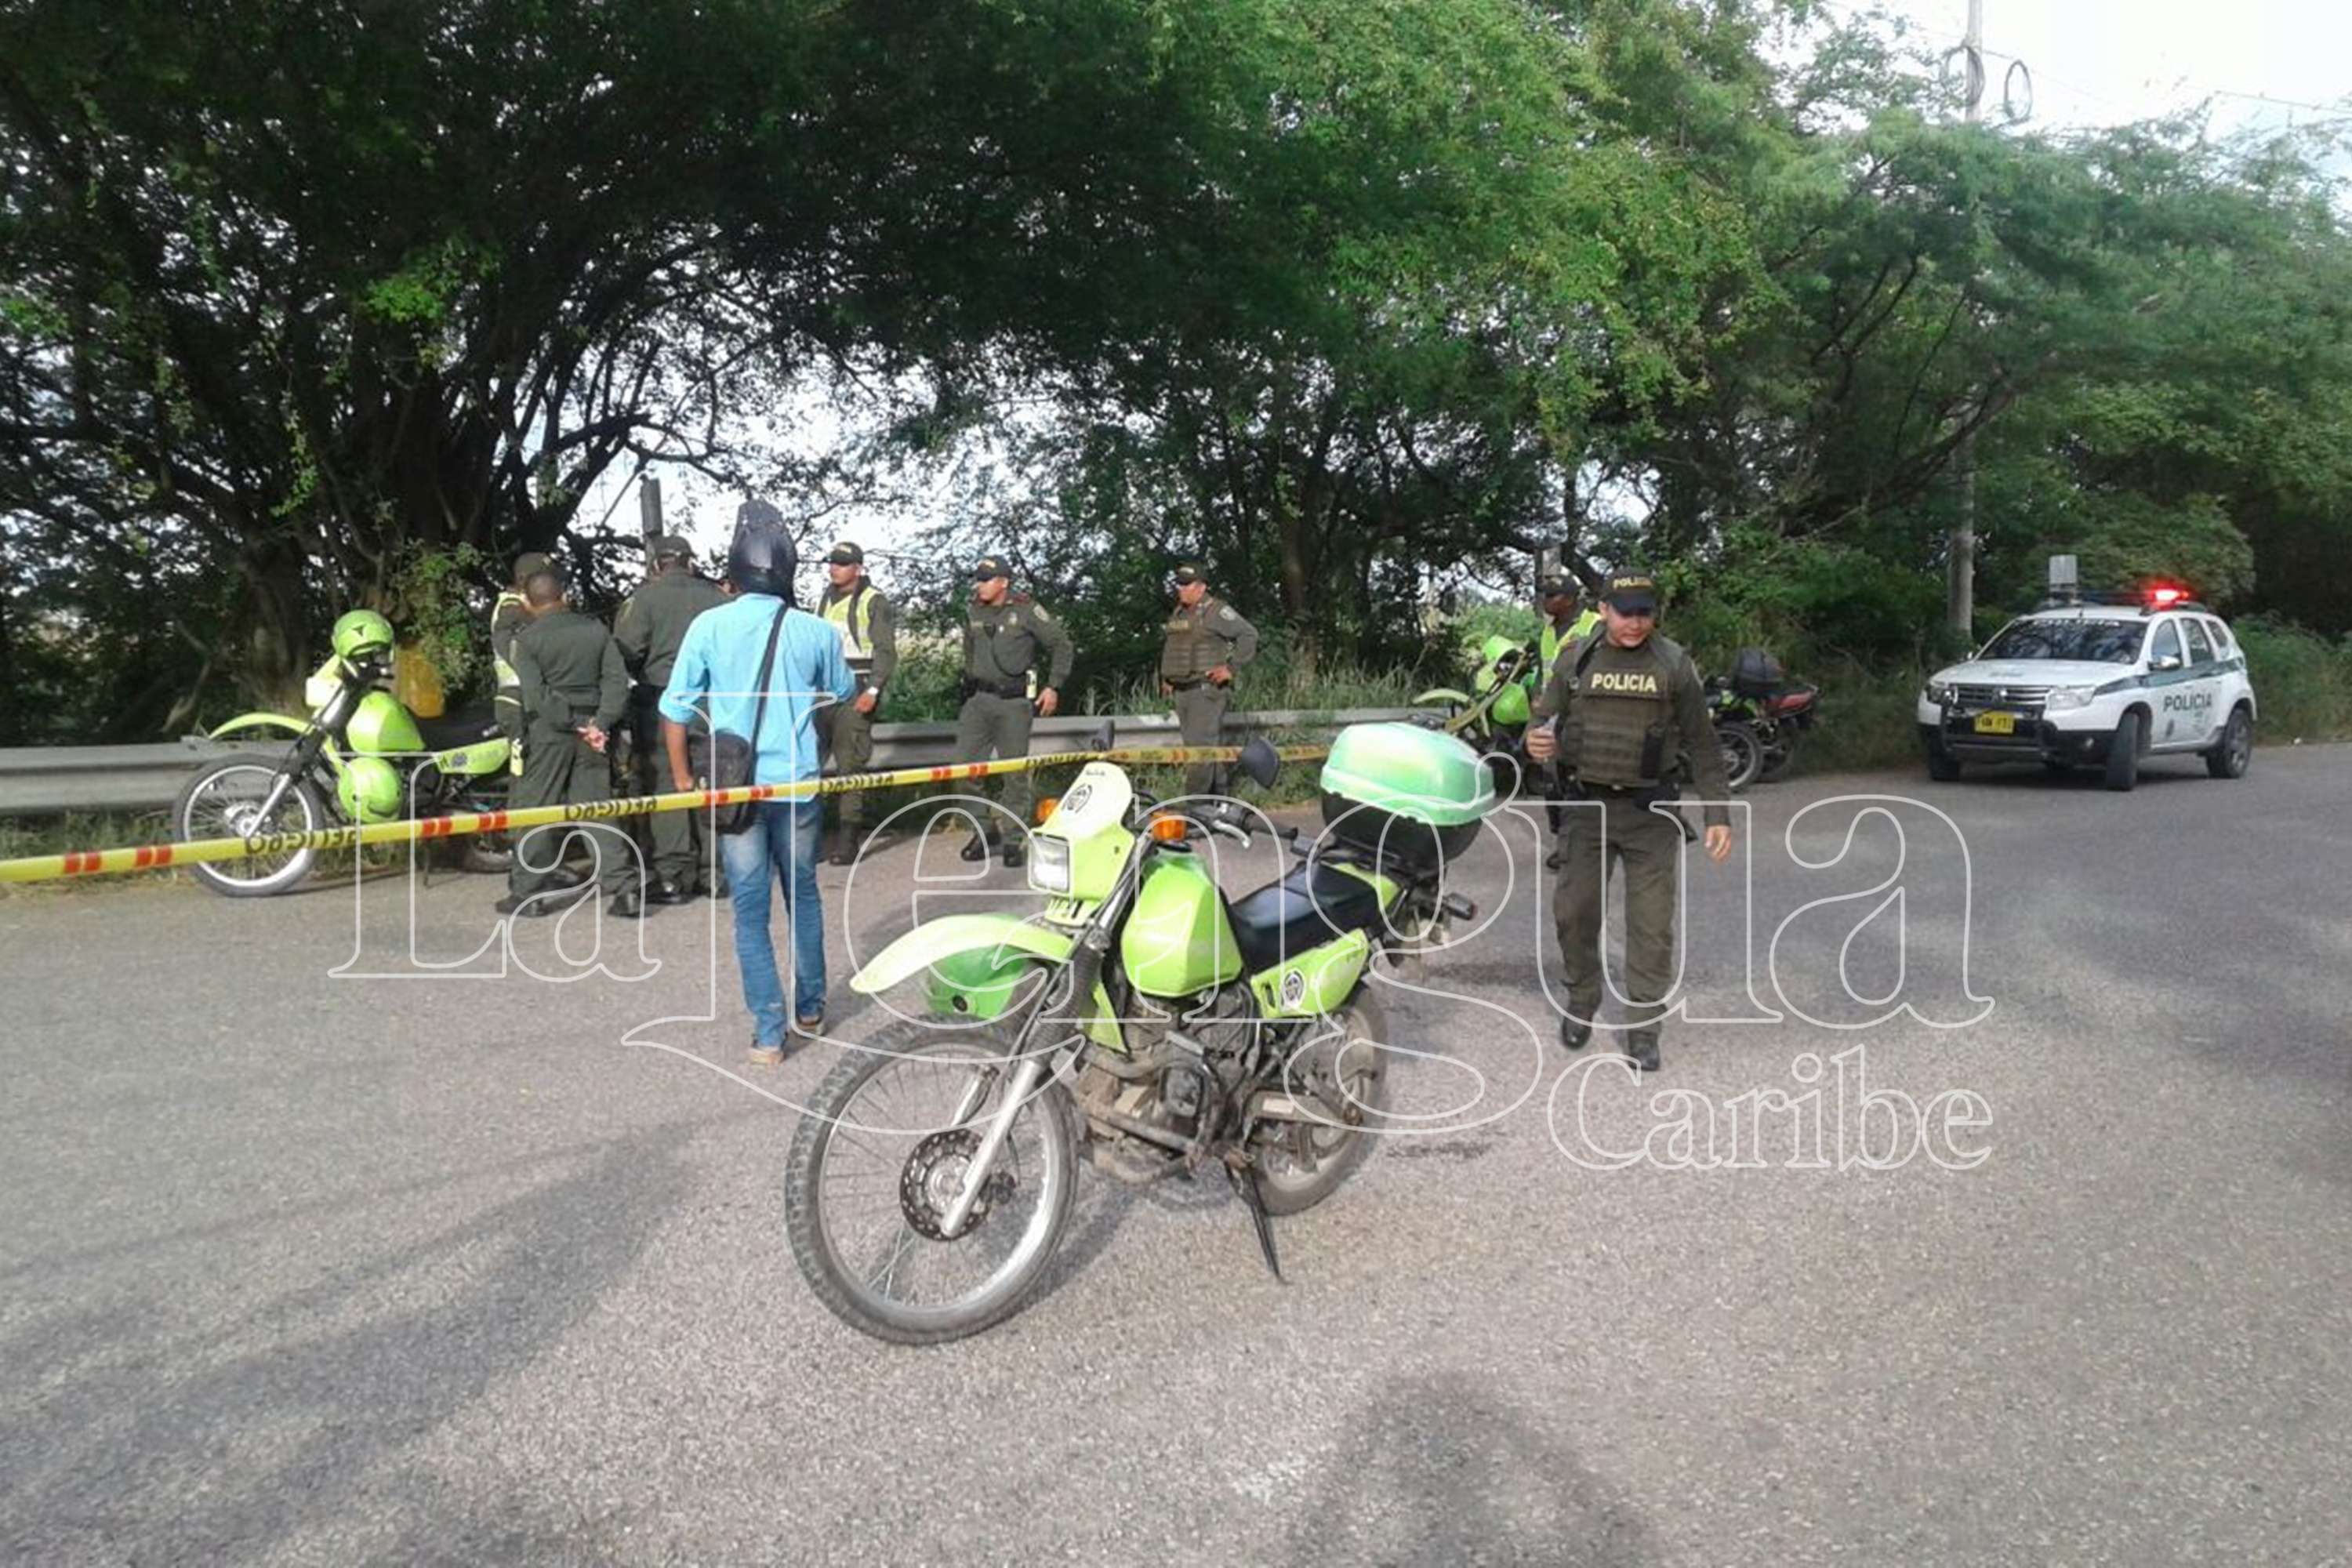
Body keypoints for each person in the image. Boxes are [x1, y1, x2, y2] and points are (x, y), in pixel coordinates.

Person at [659, 521, 855, 1063]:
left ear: (735, 572)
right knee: (803, 894)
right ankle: (811, 1007)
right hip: (796, 786)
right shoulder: (816, 631)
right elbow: (843, 691)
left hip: (734, 791)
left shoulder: (708, 626)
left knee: (750, 911)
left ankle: (770, 1034)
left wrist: (682, 782)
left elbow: (674, 710)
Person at [1526, 572, 1733, 1073]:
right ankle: (1582, 1000)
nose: (1636, 622)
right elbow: (1540, 722)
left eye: (1645, 612)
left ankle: (1643, 1027)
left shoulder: (1673, 665)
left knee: (1651, 927)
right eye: (1626, 612)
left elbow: (1704, 744)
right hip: (1586, 809)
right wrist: (1535, 742)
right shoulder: (1577, 659)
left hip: (1651, 814)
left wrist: (1717, 813)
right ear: (1603, 609)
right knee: (1573, 913)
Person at [499, 571, 644, 919]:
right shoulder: (595, 631)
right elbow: (616, 681)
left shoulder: (527, 641)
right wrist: (600, 723)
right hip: (593, 732)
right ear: (564, 596)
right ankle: (625, 891)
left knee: (537, 812)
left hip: (550, 732)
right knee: (596, 810)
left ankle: (528, 895)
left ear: (529, 603)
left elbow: (536, 696)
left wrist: (575, 723)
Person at [615, 535, 728, 901]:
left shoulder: (643, 599)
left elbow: (626, 653)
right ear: (690, 563)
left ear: (656, 565)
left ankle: (674, 875)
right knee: (712, 780)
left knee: (668, 781)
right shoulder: (719, 599)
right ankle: (715, 872)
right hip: (714, 703)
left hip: (662, 701)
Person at [955, 554, 1073, 868]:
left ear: (1003, 582)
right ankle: (983, 830)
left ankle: (1013, 839)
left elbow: (1062, 645)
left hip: (1014, 703)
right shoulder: (973, 611)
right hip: (978, 700)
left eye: (986, 579)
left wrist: (1053, 686)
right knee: (965, 768)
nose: (980, 585)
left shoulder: (1026, 610)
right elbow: (969, 650)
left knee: (1014, 775)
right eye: (978, 579)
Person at [813, 540, 899, 866]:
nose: (834, 567)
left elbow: (886, 652)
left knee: (850, 769)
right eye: (833, 562)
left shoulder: (872, 601)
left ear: (858, 568)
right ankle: (810, 836)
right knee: (809, 764)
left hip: (856, 688)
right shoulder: (825, 598)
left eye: (842, 563)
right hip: (822, 692)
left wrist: (873, 691)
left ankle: (848, 842)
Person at [1158, 561, 1258, 797]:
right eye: (1179, 585)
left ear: (1201, 587)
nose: (1181, 589)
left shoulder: (1215, 611)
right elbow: (1176, 648)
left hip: (1205, 692)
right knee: (1205, 750)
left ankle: (1195, 807)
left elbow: (1249, 634)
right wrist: (1169, 679)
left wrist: (1231, 669)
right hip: (1183, 692)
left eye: (1186, 585)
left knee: (1200, 753)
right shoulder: (1180, 612)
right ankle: (1218, 801)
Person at [1535, 570, 1601, 867]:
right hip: (1554, 714)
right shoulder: (1548, 631)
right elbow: (1544, 670)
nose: (1546, 600)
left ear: (1572, 599)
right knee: (1554, 780)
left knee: (1584, 778)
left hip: (1586, 713)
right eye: (1544, 594)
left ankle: (1588, 844)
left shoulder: (1594, 625)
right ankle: (1564, 842)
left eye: (1553, 595)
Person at [490, 551, 556, 760]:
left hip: (524, 696)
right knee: (529, 770)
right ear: (522, 581)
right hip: (518, 698)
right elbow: (514, 649)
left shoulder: (520, 607)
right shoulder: (514, 608)